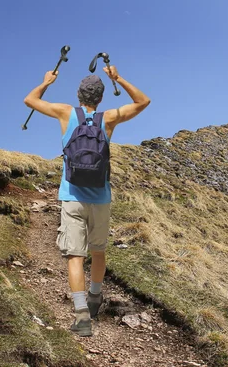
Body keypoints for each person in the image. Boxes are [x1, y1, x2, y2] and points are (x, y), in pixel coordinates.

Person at [23, 66, 151, 336]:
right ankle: (95, 297)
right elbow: (143, 101)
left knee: (74, 256)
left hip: (72, 197)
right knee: (98, 251)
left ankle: (82, 315)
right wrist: (118, 78)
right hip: (101, 198)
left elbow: (30, 100)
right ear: (101, 98)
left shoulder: (65, 113)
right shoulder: (109, 119)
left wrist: (46, 82)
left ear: (78, 94)